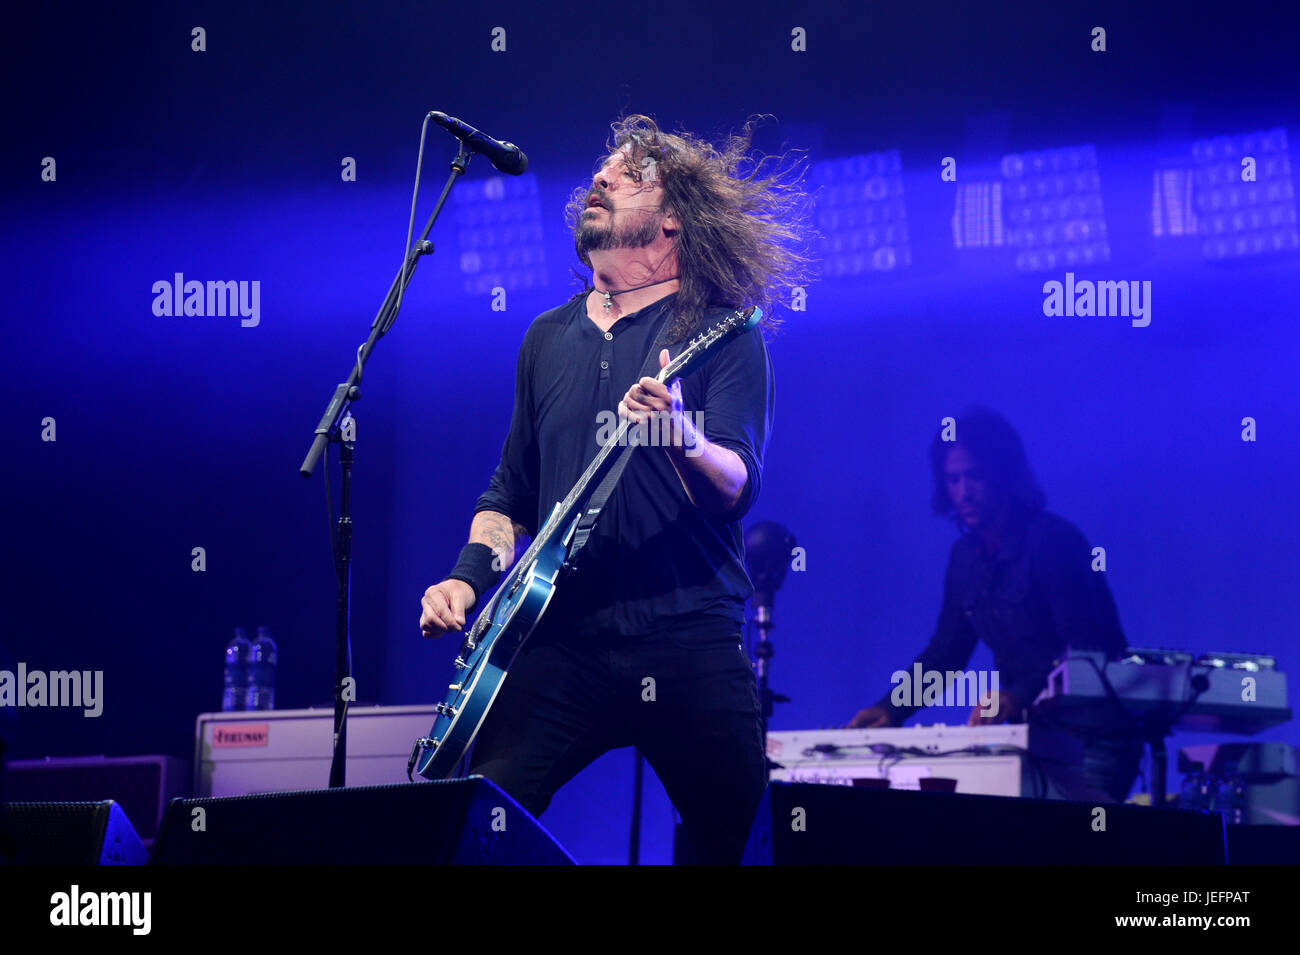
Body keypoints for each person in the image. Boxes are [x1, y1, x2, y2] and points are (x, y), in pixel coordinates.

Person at [419, 114, 812, 863]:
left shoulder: (724, 330)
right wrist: (466, 580)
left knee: (744, 841)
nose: (600, 178)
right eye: (603, 168)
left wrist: (681, 433)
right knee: (471, 825)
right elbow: (509, 494)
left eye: (630, 174)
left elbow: (737, 483)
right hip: (563, 635)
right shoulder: (545, 337)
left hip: (688, 632)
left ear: (671, 219)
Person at [848, 407, 1143, 802]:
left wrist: (1018, 695)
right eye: (953, 479)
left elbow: (1086, 650)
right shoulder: (964, 557)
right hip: (1034, 741)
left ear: (1005, 475)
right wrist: (891, 709)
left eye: (975, 476)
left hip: (1096, 740)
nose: (963, 491)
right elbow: (946, 652)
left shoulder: (1053, 541)